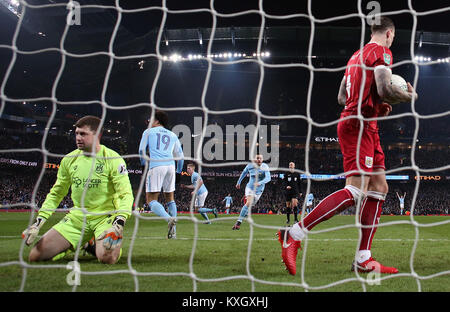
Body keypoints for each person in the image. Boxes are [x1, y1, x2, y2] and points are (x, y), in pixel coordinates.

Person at [277, 17, 418, 275]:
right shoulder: (382, 52)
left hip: (366, 125)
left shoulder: (355, 56)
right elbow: (385, 88)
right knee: (355, 191)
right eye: (393, 37)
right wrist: (408, 96)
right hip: (358, 126)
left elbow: (342, 97)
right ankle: (293, 234)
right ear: (389, 33)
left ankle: (363, 258)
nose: (392, 41)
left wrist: (376, 106)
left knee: (379, 187)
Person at [22, 115, 134, 264]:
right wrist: (38, 222)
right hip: (78, 217)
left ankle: (95, 244)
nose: (78, 137)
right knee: (35, 256)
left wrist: (119, 222)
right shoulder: (69, 160)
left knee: (107, 258)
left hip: (105, 218)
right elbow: (56, 193)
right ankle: (81, 243)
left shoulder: (113, 159)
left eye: (83, 134)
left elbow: (125, 193)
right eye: (76, 133)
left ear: (98, 135)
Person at [139, 110, 184, 239]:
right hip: (171, 166)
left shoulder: (148, 132)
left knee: (151, 200)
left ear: (157, 121)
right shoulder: (173, 135)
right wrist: (179, 172)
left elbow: (141, 150)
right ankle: (173, 232)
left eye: (151, 119)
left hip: (156, 165)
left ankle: (169, 219)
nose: (149, 121)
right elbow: (180, 157)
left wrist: (143, 165)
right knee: (170, 198)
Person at [233, 154, 271, 230]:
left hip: (259, 190)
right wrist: (238, 182)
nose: (259, 159)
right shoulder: (249, 166)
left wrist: (260, 183)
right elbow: (243, 173)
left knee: (250, 205)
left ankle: (245, 212)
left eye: (260, 158)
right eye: (257, 158)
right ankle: (238, 222)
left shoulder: (265, 167)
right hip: (250, 188)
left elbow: (268, 178)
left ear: (262, 160)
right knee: (248, 203)